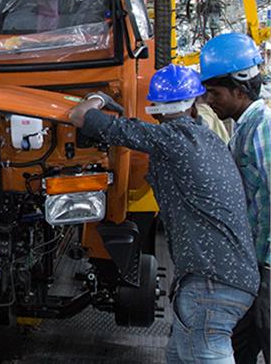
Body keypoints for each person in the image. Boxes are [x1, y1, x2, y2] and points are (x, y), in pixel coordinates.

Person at [69, 64, 260, 363]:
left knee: (206, 353)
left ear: (156, 109)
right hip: (224, 278)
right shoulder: (205, 137)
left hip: (210, 281)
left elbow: (80, 117)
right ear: (197, 102)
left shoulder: (172, 139)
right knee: (179, 355)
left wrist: (96, 98)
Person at [200, 32, 271, 364]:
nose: (210, 100)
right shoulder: (244, 126)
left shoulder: (263, 129)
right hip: (253, 266)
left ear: (239, 90)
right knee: (238, 344)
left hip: (267, 267)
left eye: (215, 93)